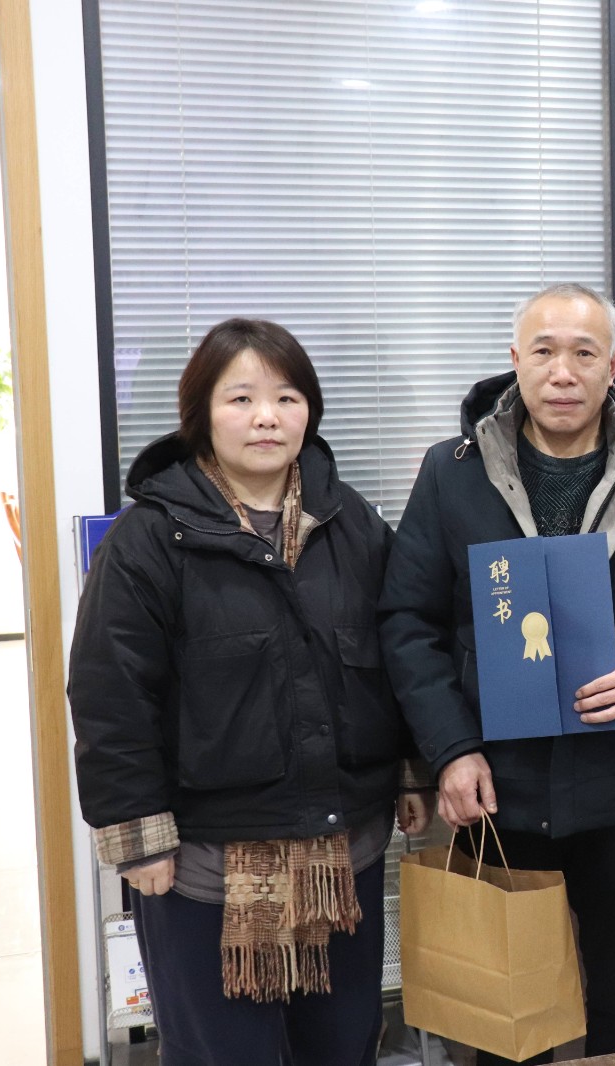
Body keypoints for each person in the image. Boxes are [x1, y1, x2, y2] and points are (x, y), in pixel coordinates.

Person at [68, 318, 429, 1066]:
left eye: (287, 397)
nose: (267, 416)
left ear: (309, 412)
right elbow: (111, 692)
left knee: (344, 1049)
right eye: (241, 398)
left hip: (343, 857)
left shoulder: (352, 523)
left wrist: (411, 771)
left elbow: (397, 656)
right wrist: (138, 835)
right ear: (200, 413)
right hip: (205, 868)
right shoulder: (148, 540)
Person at [379, 283, 615, 1063]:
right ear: (515, 361)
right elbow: (407, 623)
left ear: (613, 366)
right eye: (543, 351)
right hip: (498, 785)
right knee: (507, 1018)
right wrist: (450, 751)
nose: (563, 371)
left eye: (584, 353)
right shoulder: (452, 473)